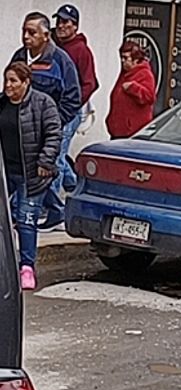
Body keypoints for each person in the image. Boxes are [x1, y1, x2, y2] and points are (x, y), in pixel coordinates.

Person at [11, 12, 79, 232]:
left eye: (32, 32)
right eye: (24, 31)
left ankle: (39, 214)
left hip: (47, 130)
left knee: (43, 170)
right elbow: (11, 87)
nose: (26, 37)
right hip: (21, 128)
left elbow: (73, 98)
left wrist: (53, 125)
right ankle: (52, 211)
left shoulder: (61, 61)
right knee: (22, 170)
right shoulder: (19, 57)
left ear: (46, 35)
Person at [0, 62, 61, 290]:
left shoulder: (43, 104)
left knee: (26, 219)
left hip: (32, 174)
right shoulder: (2, 104)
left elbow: (54, 134)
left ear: (26, 82)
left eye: (13, 81)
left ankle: (27, 267)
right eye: (6, 80)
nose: (8, 85)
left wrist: (45, 161)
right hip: (6, 173)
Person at [52, 4, 97, 195]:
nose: (61, 26)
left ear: (75, 26)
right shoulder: (53, 46)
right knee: (56, 155)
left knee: (55, 156)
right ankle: (77, 186)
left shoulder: (81, 50)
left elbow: (90, 83)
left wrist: (72, 105)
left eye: (65, 22)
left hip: (70, 111)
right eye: (58, 21)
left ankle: (52, 204)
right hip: (53, 109)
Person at [106, 41, 156, 139]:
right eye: (121, 57)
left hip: (133, 133)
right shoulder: (124, 74)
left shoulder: (145, 74)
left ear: (136, 60)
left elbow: (149, 97)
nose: (122, 61)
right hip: (118, 131)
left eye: (125, 58)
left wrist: (133, 88)